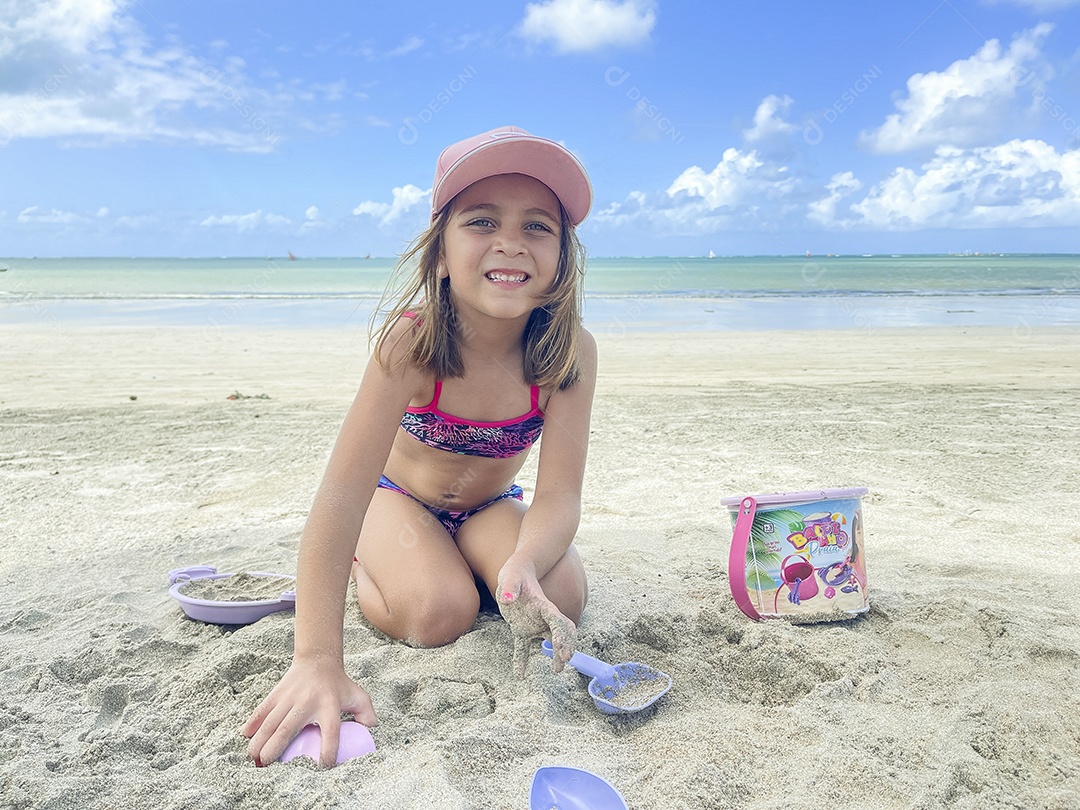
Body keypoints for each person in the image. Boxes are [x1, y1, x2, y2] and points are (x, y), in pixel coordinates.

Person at [242, 126, 596, 767]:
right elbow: (342, 494)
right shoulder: (411, 345)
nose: (510, 241)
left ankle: (477, 558)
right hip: (395, 502)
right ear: (439, 254)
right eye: (482, 220)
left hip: (490, 508)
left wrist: (523, 560)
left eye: (538, 227)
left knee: (562, 592)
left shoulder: (569, 354)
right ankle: (370, 566)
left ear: (565, 257)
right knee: (440, 612)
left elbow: (560, 495)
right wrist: (317, 659)